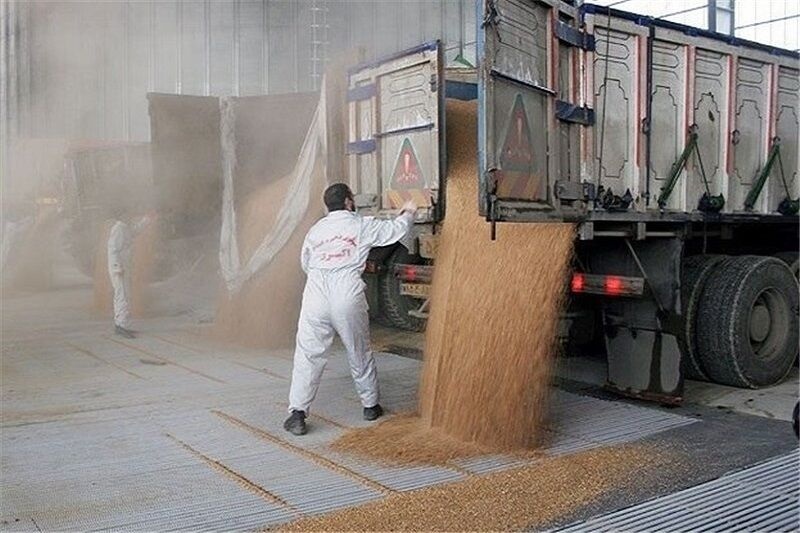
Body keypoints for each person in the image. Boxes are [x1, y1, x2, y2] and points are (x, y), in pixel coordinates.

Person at [284, 183, 417, 436]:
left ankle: (297, 413)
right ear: (348, 202)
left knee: (308, 354)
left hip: (315, 294)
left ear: (328, 205)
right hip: (346, 292)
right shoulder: (361, 224)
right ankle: (370, 406)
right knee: (359, 350)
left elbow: (306, 263)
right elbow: (394, 231)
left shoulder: (315, 230)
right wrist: (408, 212)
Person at [107, 210, 153, 338]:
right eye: (127, 214)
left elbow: (135, 231)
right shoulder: (118, 228)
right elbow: (113, 249)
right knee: (123, 296)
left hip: (123, 267)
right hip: (119, 269)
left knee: (123, 296)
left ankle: (121, 325)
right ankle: (121, 326)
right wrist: (117, 267)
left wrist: (146, 220)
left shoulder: (124, 227)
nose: (130, 216)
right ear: (121, 215)